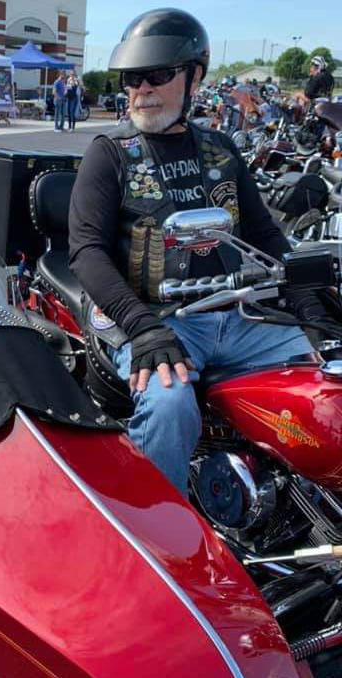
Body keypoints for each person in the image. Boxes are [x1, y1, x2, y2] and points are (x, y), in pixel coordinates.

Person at [68, 8, 336, 496]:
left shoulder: (221, 150)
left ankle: (295, 514)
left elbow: (265, 235)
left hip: (238, 317)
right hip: (154, 317)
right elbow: (86, 252)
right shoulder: (109, 153)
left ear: (195, 76)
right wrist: (144, 329)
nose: (140, 89)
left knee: (322, 391)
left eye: (156, 75)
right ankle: (158, 534)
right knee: (170, 407)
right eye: (132, 77)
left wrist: (307, 300)